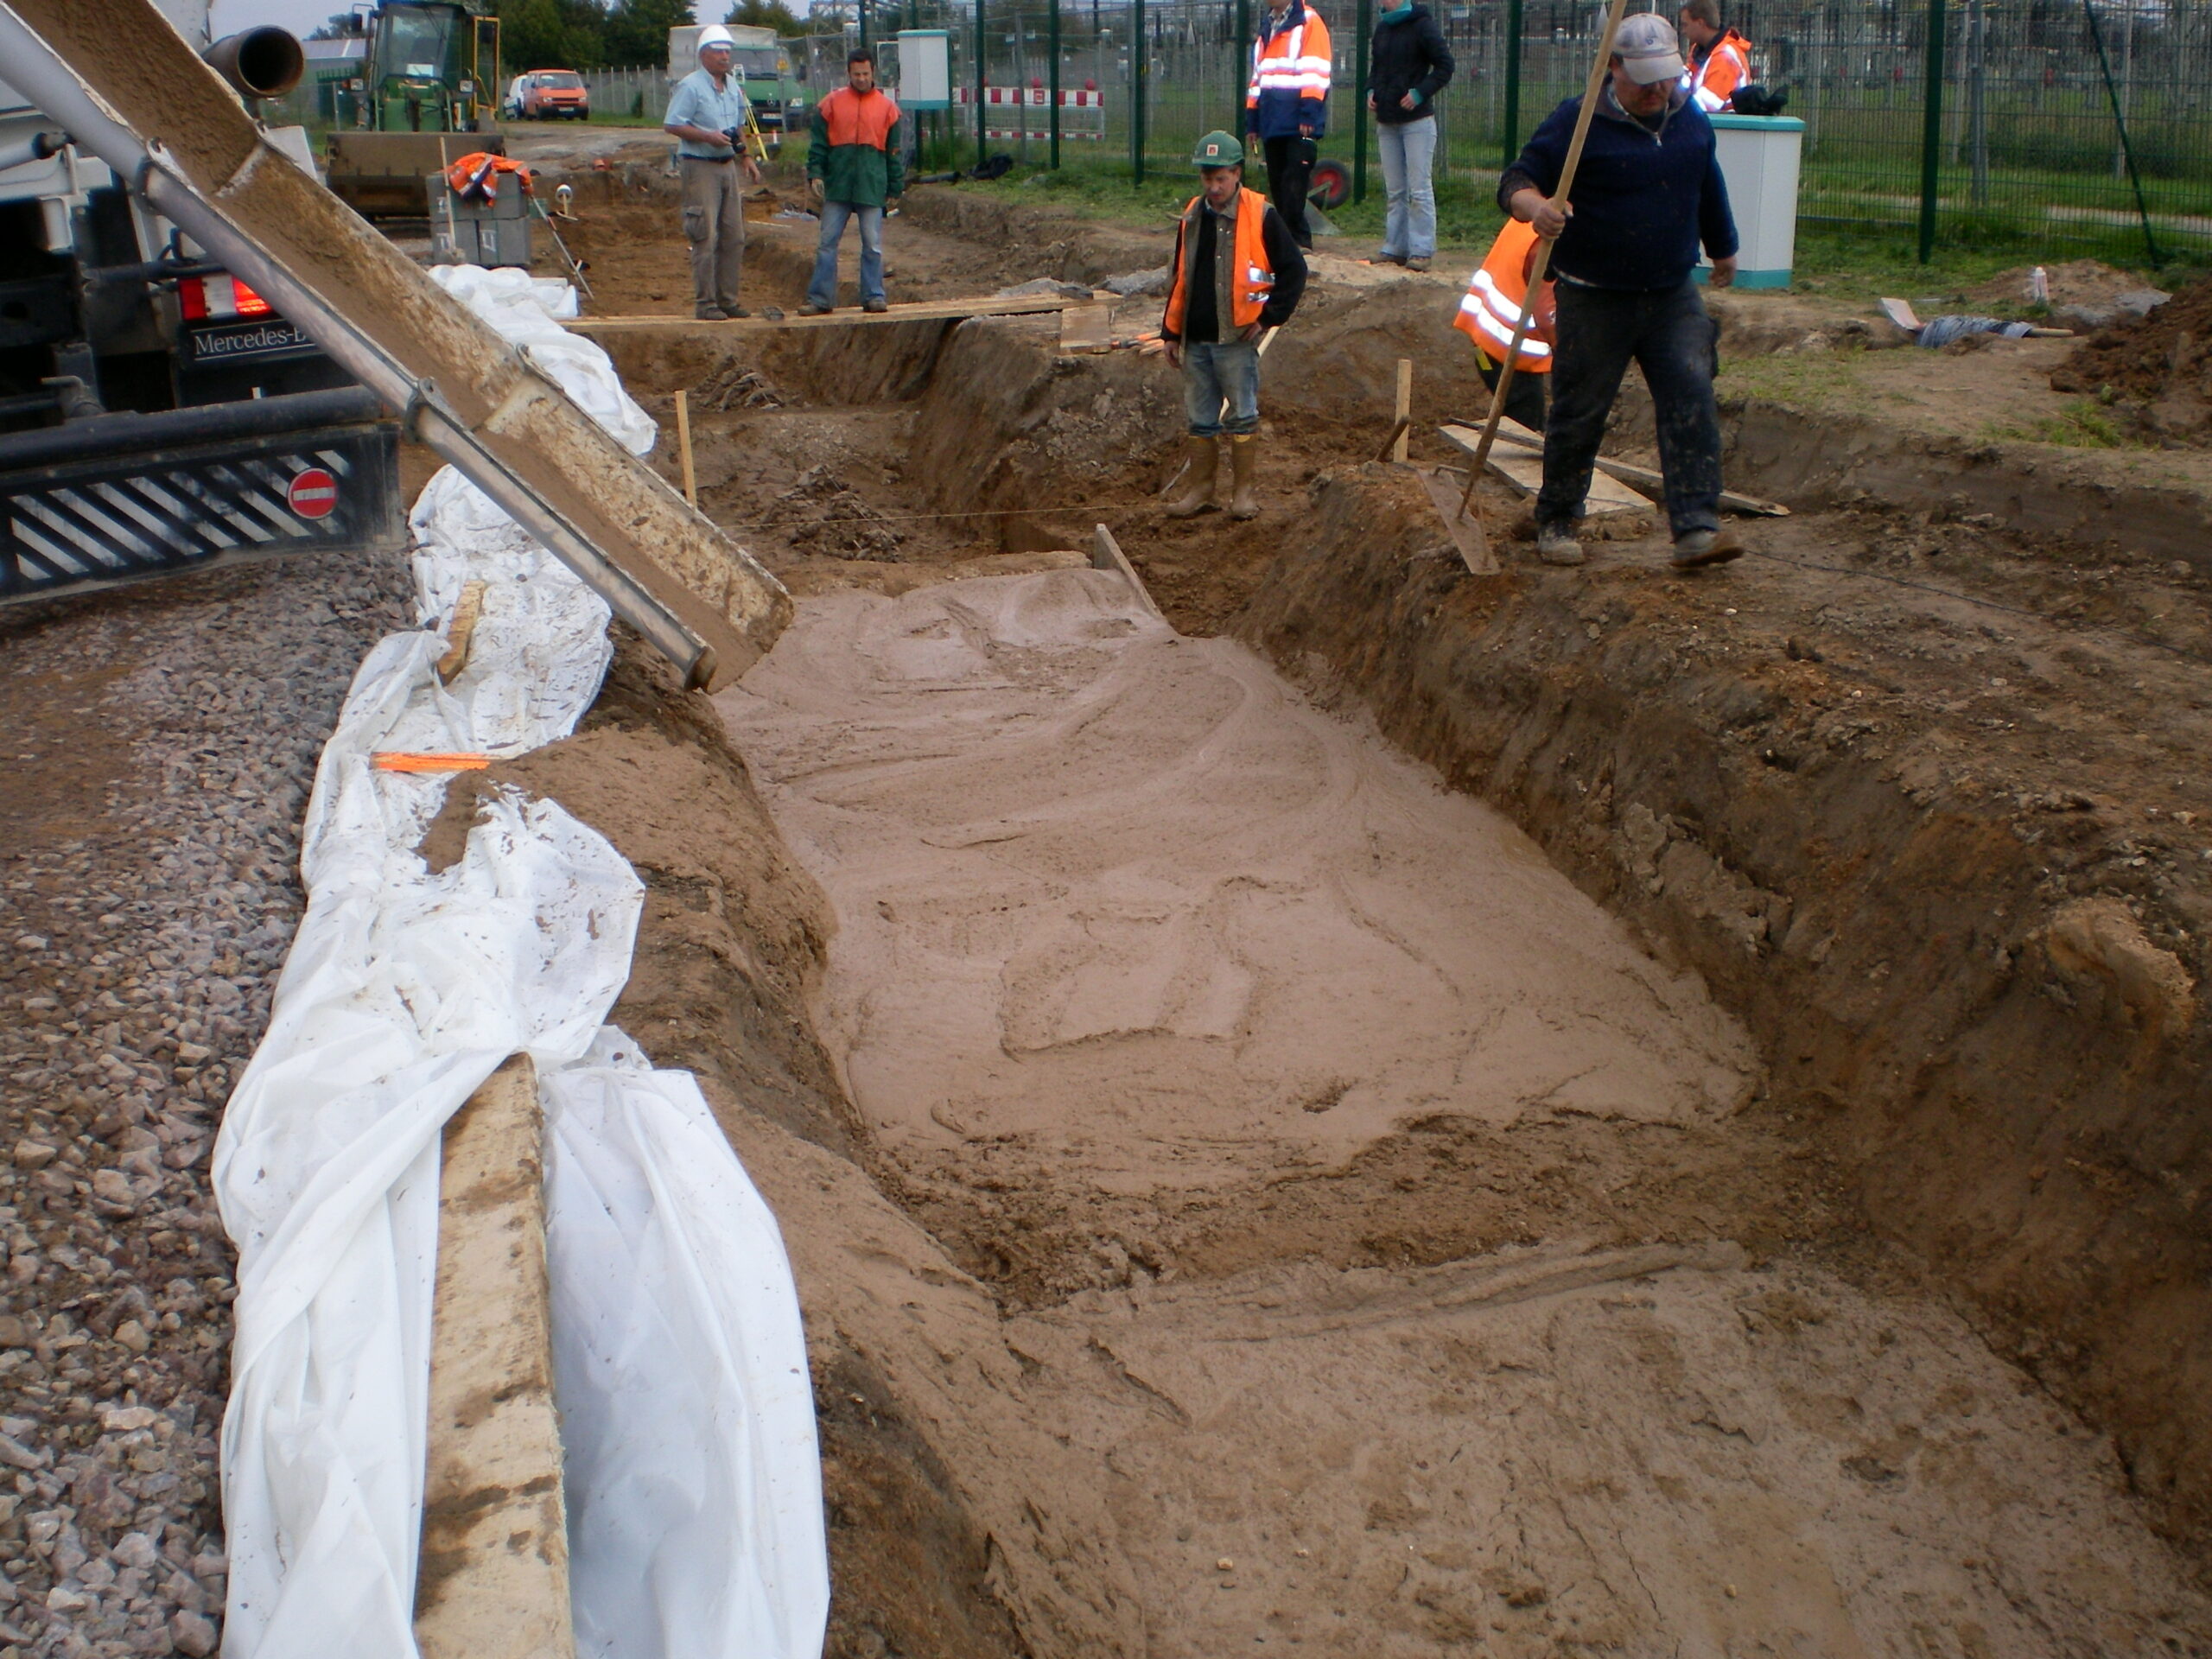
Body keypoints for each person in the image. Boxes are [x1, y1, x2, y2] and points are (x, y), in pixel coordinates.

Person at [1497, 11, 1742, 569]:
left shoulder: (1689, 119)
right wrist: (1537, 208)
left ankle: (1697, 528)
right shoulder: (1577, 121)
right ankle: (1557, 519)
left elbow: (1706, 184)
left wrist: (1724, 247)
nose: (1658, 90)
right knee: (1580, 412)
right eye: (1645, 80)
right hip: (1594, 295)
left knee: (1691, 394)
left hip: (1671, 293)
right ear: (1613, 67)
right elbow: (1516, 180)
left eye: (1666, 78)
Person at [1160, 132, 1309, 521]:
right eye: (1207, 178)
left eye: (1220, 179)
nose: (1213, 187)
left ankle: (1242, 494)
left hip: (1236, 338)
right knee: (1200, 419)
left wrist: (1268, 317)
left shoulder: (1260, 214)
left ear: (1237, 174)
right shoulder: (1193, 215)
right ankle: (1201, 491)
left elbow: (1294, 270)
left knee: (1242, 416)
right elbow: (1180, 276)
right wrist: (1171, 332)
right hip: (1196, 338)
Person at [663, 25, 763, 321]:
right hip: (700, 166)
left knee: (734, 236)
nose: (724, 57)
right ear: (703, 55)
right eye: (718, 51)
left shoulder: (732, 87)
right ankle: (706, 303)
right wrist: (707, 136)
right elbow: (672, 124)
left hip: (726, 165)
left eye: (727, 52)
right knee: (705, 235)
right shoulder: (691, 87)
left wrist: (746, 157)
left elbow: (738, 126)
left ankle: (727, 300)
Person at [802, 50, 904, 316]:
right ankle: (821, 299)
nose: (861, 78)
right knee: (827, 243)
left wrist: (895, 187)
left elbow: (894, 152)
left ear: (873, 73)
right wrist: (816, 173)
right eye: (856, 74)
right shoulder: (831, 104)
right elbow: (818, 145)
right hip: (838, 185)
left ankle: (874, 296)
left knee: (872, 245)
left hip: (871, 185)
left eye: (865, 74)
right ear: (848, 73)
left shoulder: (888, 109)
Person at [1365, 0, 1453, 270]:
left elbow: (1445, 66)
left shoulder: (1422, 25)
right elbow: (1377, 68)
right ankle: (1395, 247)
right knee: (1395, 190)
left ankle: (1422, 250)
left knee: (1419, 188)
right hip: (1387, 120)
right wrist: (1371, 90)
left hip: (1417, 121)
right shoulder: (1382, 28)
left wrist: (1420, 93)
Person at [1451, 217, 1553, 435]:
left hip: (1482, 347)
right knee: (1525, 427)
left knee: (1517, 413)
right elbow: (1549, 317)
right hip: (1509, 355)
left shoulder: (1529, 217)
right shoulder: (1547, 243)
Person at [1244, 0, 1332, 251]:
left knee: (1293, 185)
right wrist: (1253, 120)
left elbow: (1316, 72)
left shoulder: (1309, 22)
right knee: (1279, 185)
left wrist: (1308, 114)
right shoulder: (1267, 27)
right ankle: (1288, 243)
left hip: (1297, 122)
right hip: (1273, 120)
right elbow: (1258, 78)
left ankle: (1298, 241)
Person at [1678, 0, 1755, 112]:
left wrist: (1673, 108)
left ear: (1700, 23)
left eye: (1685, 25)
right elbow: (1686, 81)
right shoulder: (1700, 49)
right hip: (1710, 119)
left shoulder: (1725, 56)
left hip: (1724, 121)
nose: (1683, 31)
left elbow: (1707, 103)